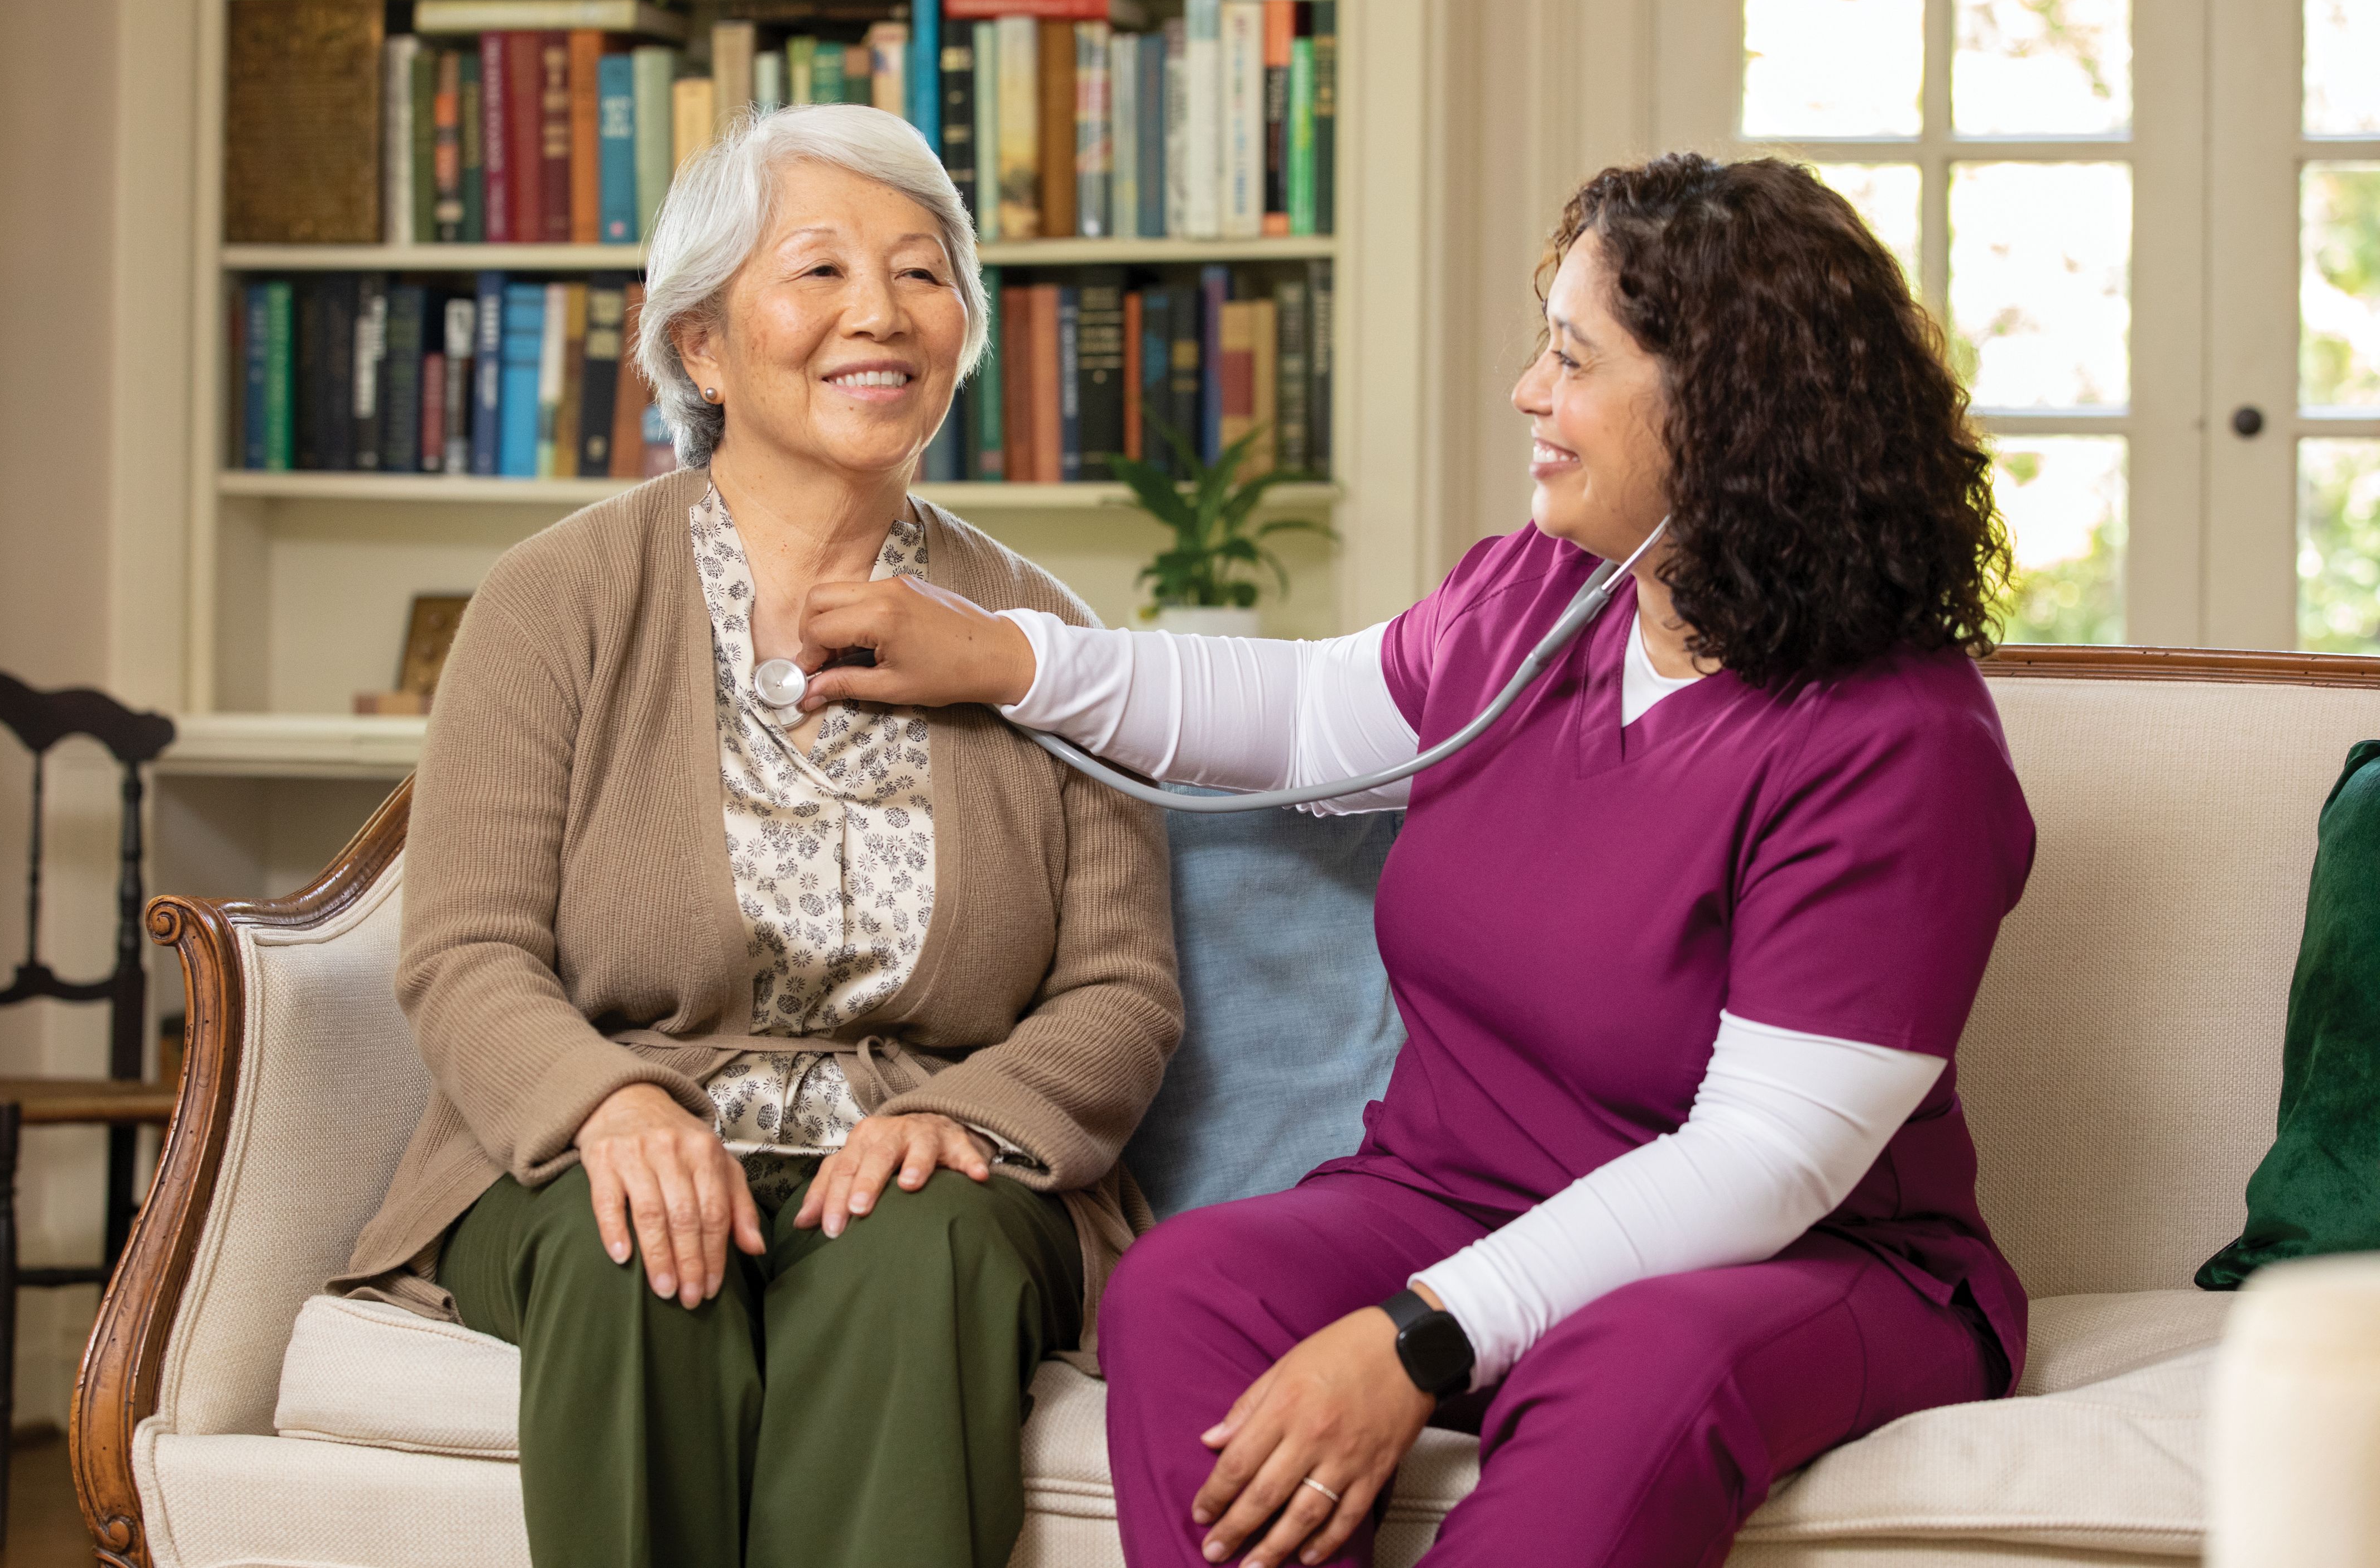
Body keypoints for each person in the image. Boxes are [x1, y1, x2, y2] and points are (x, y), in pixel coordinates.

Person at [791, 153, 2037, 1568]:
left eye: (1572, 359)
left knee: (1633, 1371)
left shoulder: (1895, 742)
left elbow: (1765, 1161)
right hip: (1453, 1195)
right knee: (1185, 1289)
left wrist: (1421, 1338)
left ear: (1726, 415)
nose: (1525, 391)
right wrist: (1003, 656)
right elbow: (1306, 715)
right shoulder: (1537, 597)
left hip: (1798, 1264)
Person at [332, 104, 1184, 1568]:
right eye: (822, 269)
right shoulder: (557, 600)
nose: (883, 313)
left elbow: (1124, 987)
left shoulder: (1042, 636)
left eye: (924, 273)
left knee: (936, 1243)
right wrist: (608, 1105)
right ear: (701, 345)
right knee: (630, 1244)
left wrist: (966, 1117)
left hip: (935, 1163)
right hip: (606, 1132)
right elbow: (468, 947)